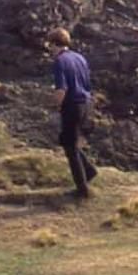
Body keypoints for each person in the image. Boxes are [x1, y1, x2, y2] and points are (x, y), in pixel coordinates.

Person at [48, 26, 98, 197]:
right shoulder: (80, 58)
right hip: (86, 103)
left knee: (69, 147)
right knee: (71, 141)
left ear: (54, 44)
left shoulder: (59, 61)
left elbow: (61, 89)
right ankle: (89, 171)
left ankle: (82, 190)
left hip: (72, 105)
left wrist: (57, 105)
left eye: (50, 45)